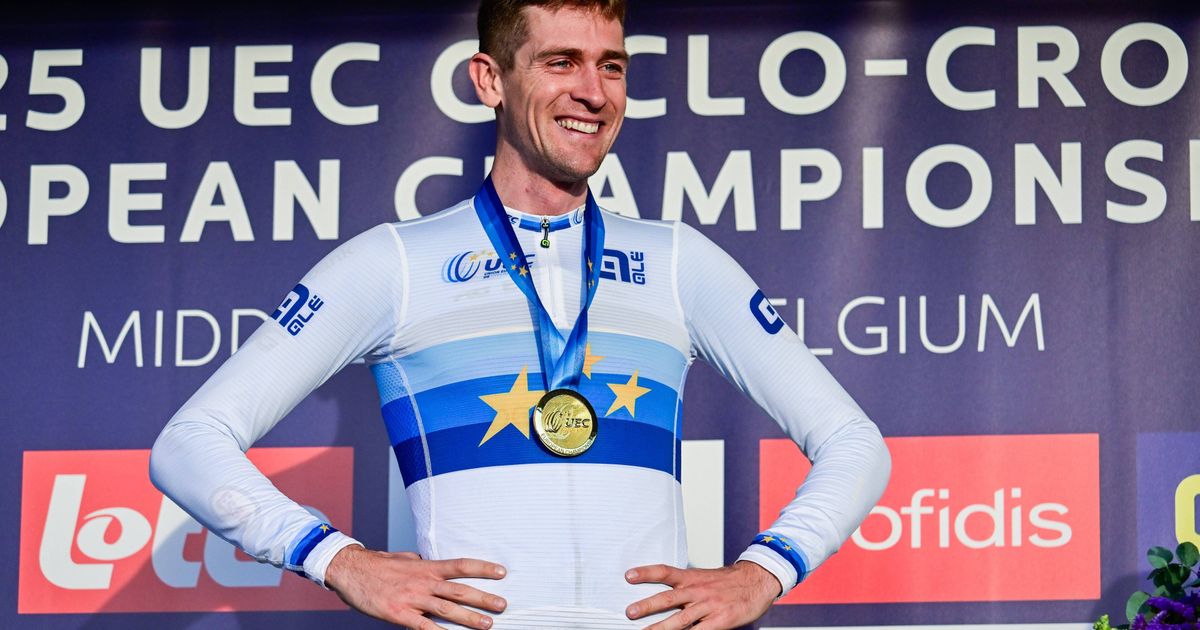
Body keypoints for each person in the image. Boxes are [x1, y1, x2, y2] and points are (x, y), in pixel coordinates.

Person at [150, 0, 891, 628]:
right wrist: (338, 559)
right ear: (490, 80)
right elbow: (188, 444)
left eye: (611, 66)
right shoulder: (395, 263)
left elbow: (855, 444)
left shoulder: (676, 260)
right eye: (561, 62)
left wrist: (765, 571)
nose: (593, 93)